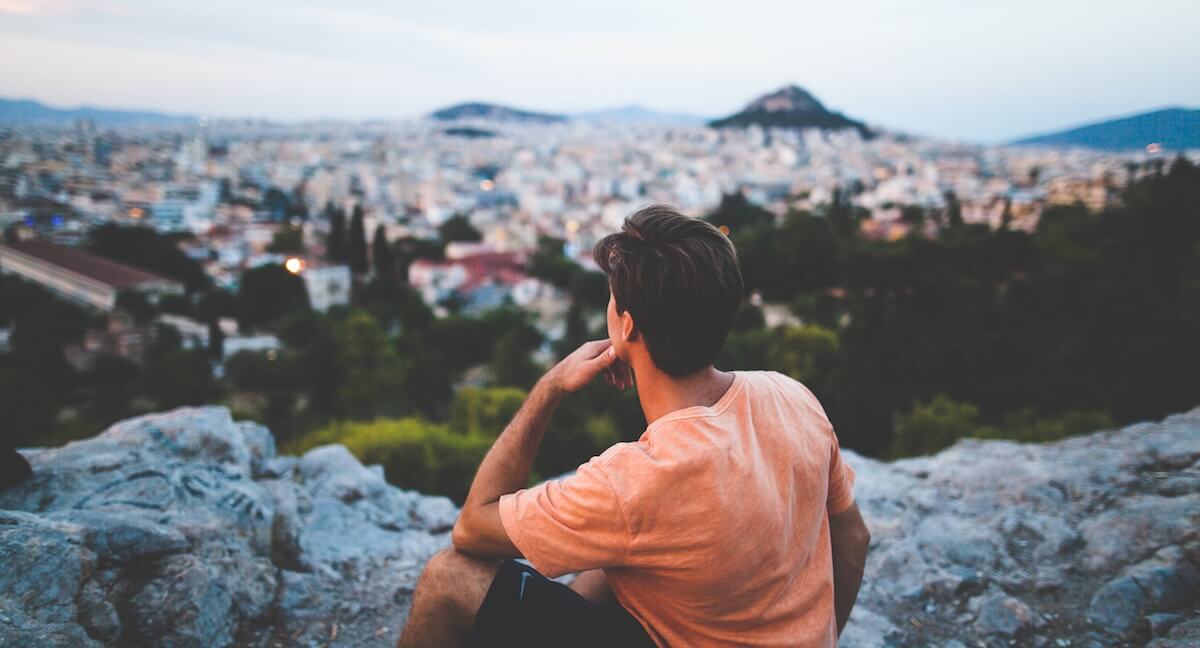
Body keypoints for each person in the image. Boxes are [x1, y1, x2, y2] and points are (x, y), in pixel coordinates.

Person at [399, 205, 870, 647]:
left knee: (448, 578)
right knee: (617, 558)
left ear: (626, 326)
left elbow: (472, 528)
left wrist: (549, 390)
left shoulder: (635, 484)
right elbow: (853, 537)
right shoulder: (791, 396)